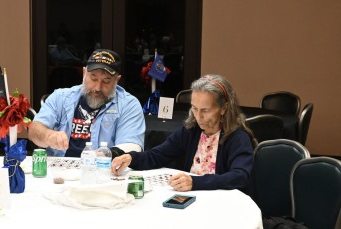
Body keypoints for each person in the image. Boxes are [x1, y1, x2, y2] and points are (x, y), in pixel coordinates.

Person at [111, 74, 256, 194]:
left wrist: (195, 182)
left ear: (223, 108)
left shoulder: (237, 137)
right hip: (194, 198)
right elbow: (158, 155)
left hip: (224, 203)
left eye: (205, 110)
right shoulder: (192, 131)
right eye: (194, 108)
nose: (198, 117)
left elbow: (240, 176)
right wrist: (131, 158)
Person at [30, 49, 146, 157]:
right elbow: (34, 130)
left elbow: (132, 146)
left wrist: (107, 154)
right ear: (84, 73)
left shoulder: (129, 105)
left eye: (106, 81)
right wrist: (49, 135)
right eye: (93, 79)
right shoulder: (61, 97)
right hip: (59, 172)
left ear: (117, 80)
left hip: (104, 170)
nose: (98, 87)